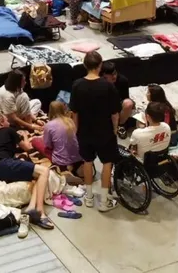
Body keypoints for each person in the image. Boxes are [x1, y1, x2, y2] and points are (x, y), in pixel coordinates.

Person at [0, 113, 54, 235]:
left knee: (37, 176)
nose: (9, 123)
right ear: (1, 123)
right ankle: (40, 212)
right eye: (6, 120)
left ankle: (31, 207)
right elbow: (27, 147)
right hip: (6, 164)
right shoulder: (8, 130)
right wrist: (25, 135)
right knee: (44, 171)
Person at [69, 51, 121, 211]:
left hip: (85, 131)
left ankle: (89, 197)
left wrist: (76, 130)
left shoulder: (77, 85)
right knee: (107, 163)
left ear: (85, 65)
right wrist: (115, 129)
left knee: (87, 161)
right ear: (100, 65)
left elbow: (74, 112)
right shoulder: (108, 86)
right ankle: (104, 201)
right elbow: (115, 113)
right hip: (105, 131)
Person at [42, 101, 82, 176]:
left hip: (61, 160)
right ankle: (75, 168)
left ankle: (65, 169)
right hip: (77, 157)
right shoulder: (70, 121)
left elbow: (48, 145)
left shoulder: (49, 125)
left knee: (36, 142)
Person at [101, 61, 136, 136]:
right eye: (111, 75)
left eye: (115, 73)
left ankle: (120, 125)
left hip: (117, 103)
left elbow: (125, 98)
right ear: (104, 76)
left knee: (129, 103)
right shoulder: (99, 82)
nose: (114, 77)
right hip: (104, 105)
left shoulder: (123, 80)